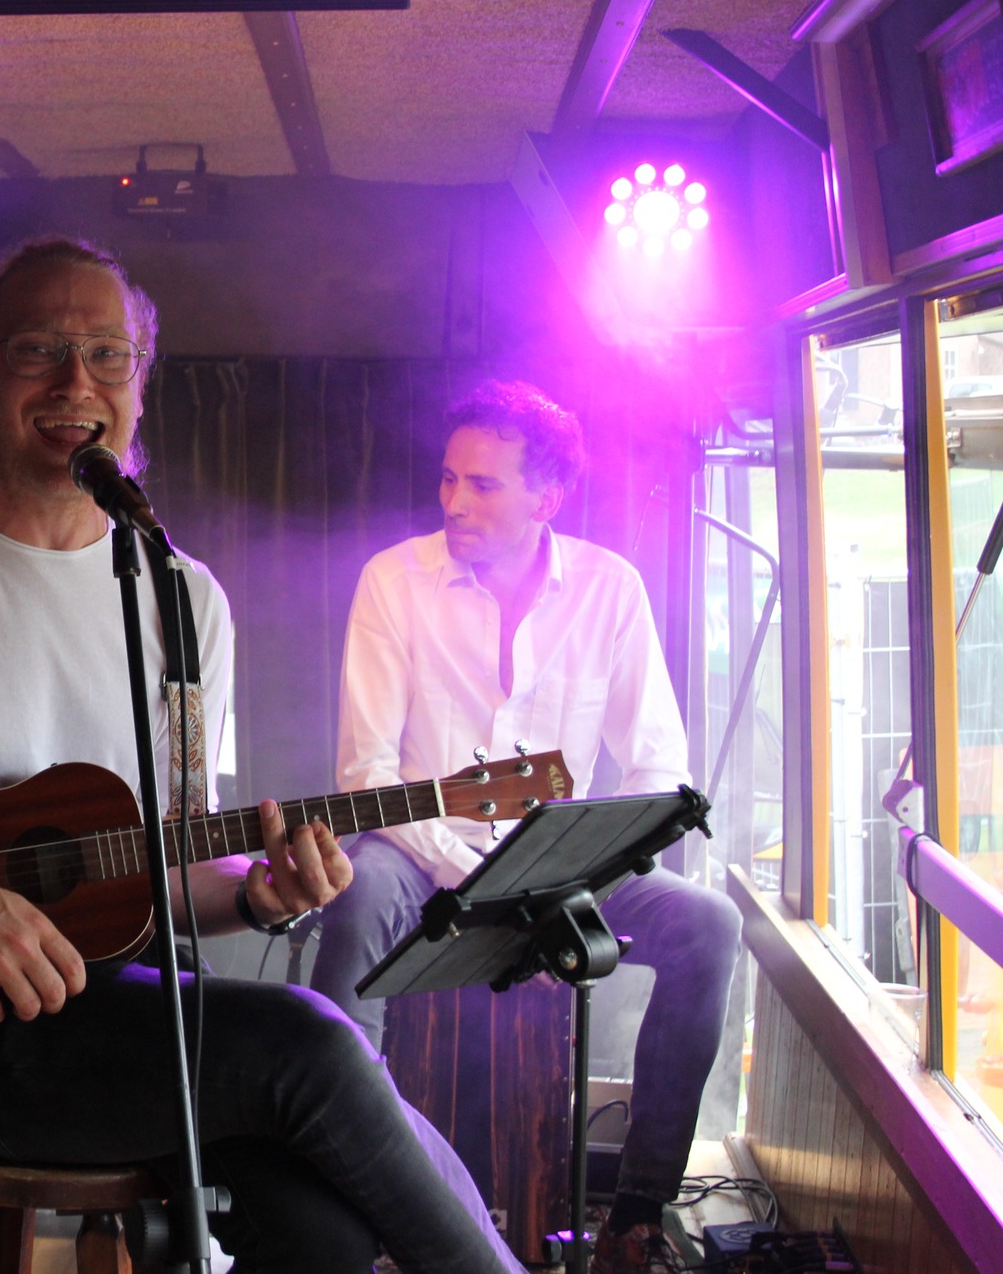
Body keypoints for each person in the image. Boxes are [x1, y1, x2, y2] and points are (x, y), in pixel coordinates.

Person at [0, 238, 521, 1274]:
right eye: (38, 349)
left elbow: (163, 875)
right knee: (311, 1037)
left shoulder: (183, 599)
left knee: (321, 1230)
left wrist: (257, 896)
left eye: (106, 356)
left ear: (139, 387)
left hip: (130, 1011)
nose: (76, 382)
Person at [308, 380, 742, 1274]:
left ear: (546, 498)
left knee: (710, 924)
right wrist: (461, 870)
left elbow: (658, 763)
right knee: (352, 905)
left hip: (566, 867)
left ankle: (637, 1211)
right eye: (448, 480)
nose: (456, 502)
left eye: (484, 485)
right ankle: (336, 1207)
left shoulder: (610, 590)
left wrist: (585, 860)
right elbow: (366, 773)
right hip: (419, 855)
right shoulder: (393, 580)